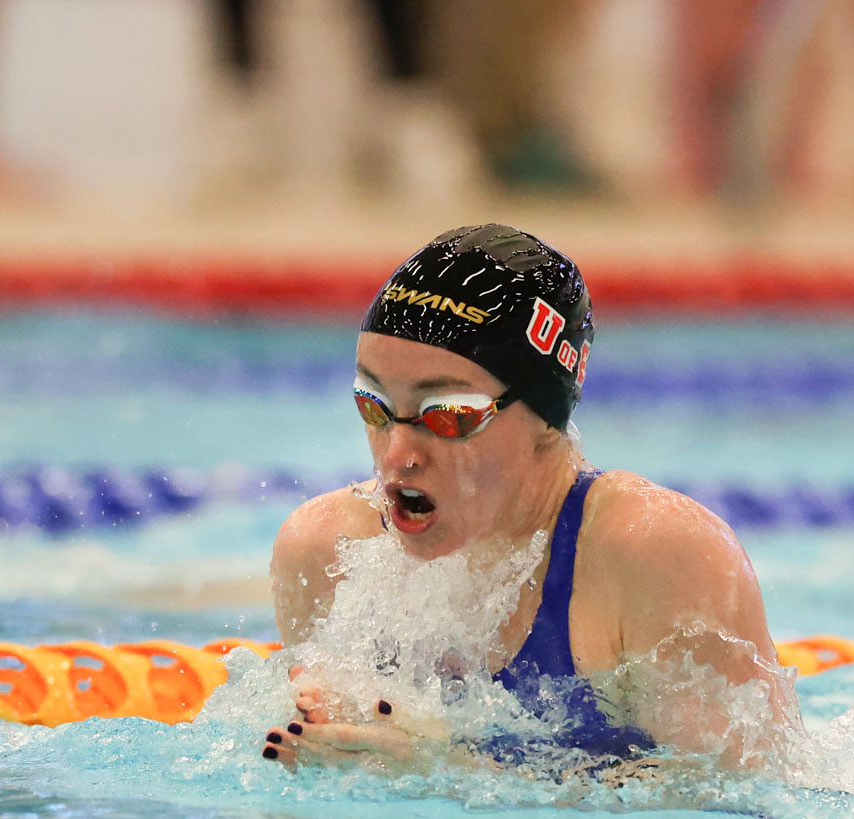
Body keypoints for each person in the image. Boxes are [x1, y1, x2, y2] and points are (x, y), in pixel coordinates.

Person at [262, 224, 791, 772]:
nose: (397, 455)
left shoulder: (657, 555)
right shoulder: (325, 550)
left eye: (448, 415)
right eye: (373, 406)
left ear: (546, 418)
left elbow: (745, 794)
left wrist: (452, 772)